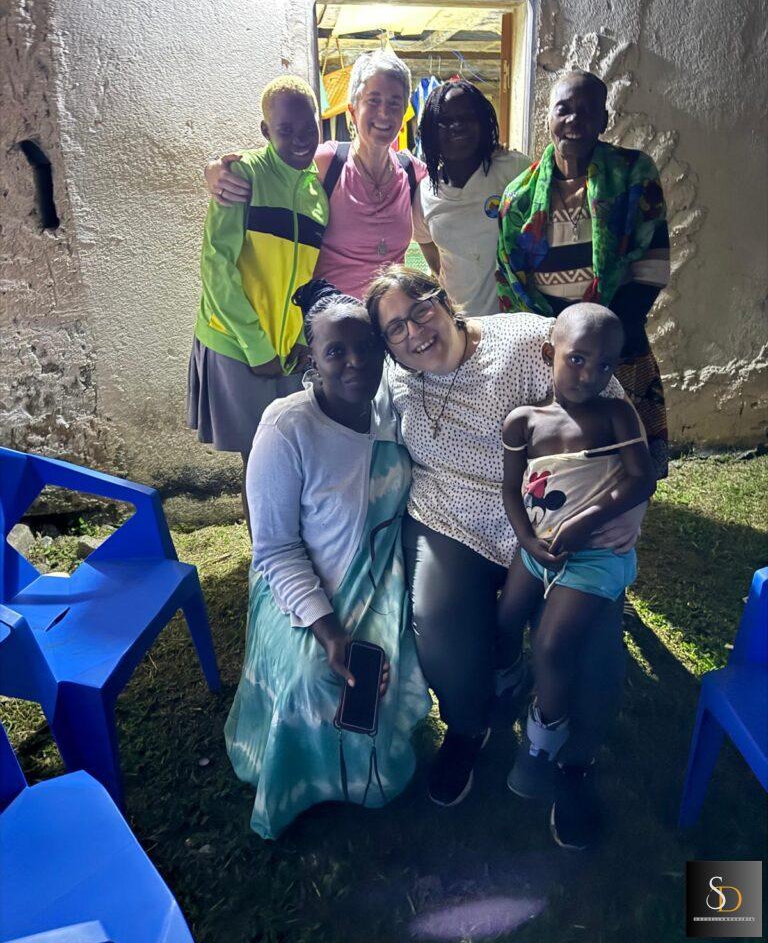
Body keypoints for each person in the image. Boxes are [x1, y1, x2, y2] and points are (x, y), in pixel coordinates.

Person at [364, 266, 632, 846]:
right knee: (439, 627)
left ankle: (573, 763)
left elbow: (613, 405)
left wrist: (624, 515)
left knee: (593, 651)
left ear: (445, 300)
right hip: (451, 519)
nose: (414, 333)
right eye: (394, 329)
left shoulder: (526, 342)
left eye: (421, 311)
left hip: (555, 525)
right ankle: (469, 727)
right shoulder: (394, 379)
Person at [225, 279, 430, 840]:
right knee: (314, 681)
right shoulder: (287, 428)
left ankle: (364, 770)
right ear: (310, 358)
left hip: (380, 580)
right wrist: (330, 631)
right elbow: (275, 549)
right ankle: (298, 781)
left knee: (376, 679)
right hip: (303, 586)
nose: (355, 361)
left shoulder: (394, 407)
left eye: (366, 346)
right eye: (336, 350)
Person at [499, 303, 655, 848]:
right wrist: (526, 541)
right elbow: (510, 489)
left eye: (605, 365)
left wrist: (584, 522)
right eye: (578, 359)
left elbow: (640, 480)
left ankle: (544, 735)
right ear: (550, 354)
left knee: (553, 644)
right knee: (506, 618)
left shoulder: (616, 416)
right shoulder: (523, 421)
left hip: (594, 556)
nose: (591, 375)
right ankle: (507, 684)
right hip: (536, 546)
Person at [497, 70, 671, 478]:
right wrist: (557, 342)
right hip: (549, 342)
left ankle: (627, 504)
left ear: (603, 120)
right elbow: (510, 279)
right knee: (559, 445)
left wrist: (604, 338)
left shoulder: (633, 174)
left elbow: (652, 262)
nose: (574, 120)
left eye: (587, 111)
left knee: (625, 440)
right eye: (564, 109)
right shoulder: (519, 196)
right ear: (548, 118)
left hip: (616, 333)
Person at [187, 75, 328, 529]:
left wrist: (300, 338)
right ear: (266, 131)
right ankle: (265, 557)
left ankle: (288, 544)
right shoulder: (244, 176)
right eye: (286, 130)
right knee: (258, 460)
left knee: (290, 451)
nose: (300, 140)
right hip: (237, 342)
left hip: (286, 349)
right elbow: (217, 268)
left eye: (308, 128)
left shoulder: (316, 191)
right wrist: (256, 346)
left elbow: (305, 278)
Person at [204, 50, 427, 300]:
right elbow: (272, 164)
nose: (384, 113)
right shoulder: (328, 162)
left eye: (394, 103)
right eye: (373, 101)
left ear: (404, 111)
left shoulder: (411, 171)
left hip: (389, 318)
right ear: (353, 110)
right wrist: (214, 169)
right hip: (332, 318)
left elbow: (450, 188)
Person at [412, 79, 530, 316]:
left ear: (483, 122)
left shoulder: (514, 169)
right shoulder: (425, 193)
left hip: (516, 320)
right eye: (445, 121)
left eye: (467, 117)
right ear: (432, 131)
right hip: (460, 324)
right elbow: (428, 247)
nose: (457, 126)